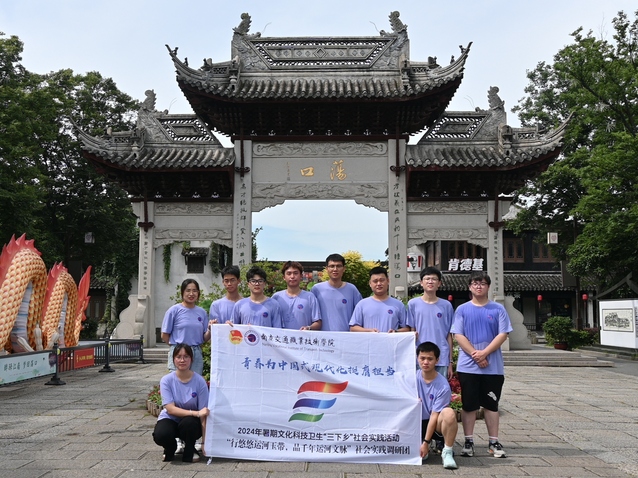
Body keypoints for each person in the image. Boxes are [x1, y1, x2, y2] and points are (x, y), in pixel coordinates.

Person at [450, 271, 513, 458]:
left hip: (493, 367)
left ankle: (493, 441)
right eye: (475, 283)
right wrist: (476, 355)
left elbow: (503, 334)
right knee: (469, 405)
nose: (479, 286)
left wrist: (484, 353)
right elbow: (458, 335)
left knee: (491, 404)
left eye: (482, 283)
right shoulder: (462, 309)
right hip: (468, 367)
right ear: (469, 287)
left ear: (488, 286)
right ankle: (468, 441)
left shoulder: (498, 309)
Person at [152, 344, 209, 463]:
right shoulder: (166, 380)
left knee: (189, 423)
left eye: (186, 356)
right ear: (173, 359)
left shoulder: (200, 381)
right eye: (178, 357)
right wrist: (196, 413)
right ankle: (170, 448)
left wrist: (205, 442)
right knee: (161, 434)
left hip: (190, 423)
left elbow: (204, 414)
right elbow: (170, 409)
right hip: (171, 418)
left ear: (191, 359)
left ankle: (190, 449)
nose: (182, 360)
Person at [415, 341, 459, 469]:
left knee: (449, 413)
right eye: (422, 358)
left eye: (430, 359)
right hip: (415, 424)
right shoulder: (411, 378)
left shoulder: (443, 385)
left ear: (437, 360)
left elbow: (434, 415)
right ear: (417, 358)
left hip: (434, 423)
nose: (425, 362)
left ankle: (447, 452)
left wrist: (426, 442)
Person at [406, 267, 455, 379]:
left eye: (434, 279)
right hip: (420, 357)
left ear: (439, 283)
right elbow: (411, 331)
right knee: (419, 388)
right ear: (421, 283)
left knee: (440, 387)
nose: (430, 281)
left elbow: (449, 335)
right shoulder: (413, 304)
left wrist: (450, 361)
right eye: (427, 279)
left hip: (441, 357)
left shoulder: (446, 305)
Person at [161, 279, 208, 375]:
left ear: (198, 293)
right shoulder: (174, 310)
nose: (191, 294)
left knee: (194, 380)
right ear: (182, 292)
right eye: (188, 290)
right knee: (177, 380)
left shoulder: (202, 312)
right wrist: (176, 348)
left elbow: (204, 337)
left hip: (196, 353)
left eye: (194, 291)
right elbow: (164, 335)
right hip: (179, 352)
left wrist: (210, 329)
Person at [311, 253, 362, 331]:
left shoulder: (352, 289)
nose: (335, 269)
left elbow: (360, 313)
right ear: (327, 269)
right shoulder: (317, 289)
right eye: (332, 266)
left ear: (344, 268)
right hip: (322, 337)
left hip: (346, 336)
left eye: (338, 266)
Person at [349, 266, 409, 333]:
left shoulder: (398, 305)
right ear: (370, 284)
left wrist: (396, 331)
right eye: (375, 281)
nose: (379, 284)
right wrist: (369, 331)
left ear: (388, 281)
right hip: (368, 340)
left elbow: (407, 329)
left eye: (382, 280)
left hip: (390, 340)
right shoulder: (362, 304)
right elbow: (353, 328)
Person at [272, 261, 322, 330]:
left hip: (302, 336)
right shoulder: (276, 297)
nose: (292, 276)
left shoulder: (310, 297)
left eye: (295, 273)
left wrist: (309, 328)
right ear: (284, 277)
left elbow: (318, 322)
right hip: (281, 337)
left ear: (301, 276)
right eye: (289, 273)